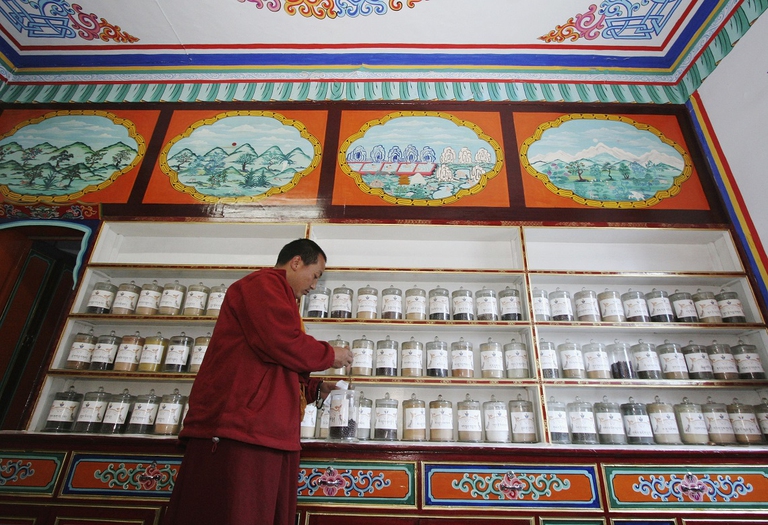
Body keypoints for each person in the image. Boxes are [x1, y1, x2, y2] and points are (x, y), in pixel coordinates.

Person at [163, 238, 353, 525]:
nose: (314, 285)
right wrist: (330, 354)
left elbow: (275, 365)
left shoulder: (283, 298)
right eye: (316, 276)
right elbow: (280, 343)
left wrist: (316, 389)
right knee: (235, 512)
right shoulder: (262, 284)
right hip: (240, 427)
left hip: (264, 428)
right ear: (296, 262)